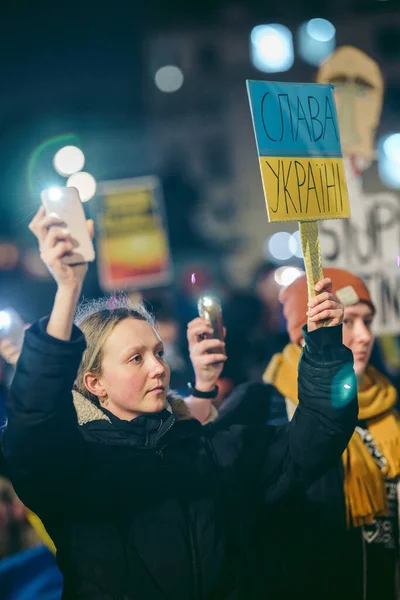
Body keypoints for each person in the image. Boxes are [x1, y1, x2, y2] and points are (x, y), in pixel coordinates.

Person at [2, 207, 357, 600]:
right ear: (94, 383)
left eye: (158, 352)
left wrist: (324, 345)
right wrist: (67, 290)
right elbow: (33, 423)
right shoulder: (75, 466)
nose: (159, 367)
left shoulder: (206, 447)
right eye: (136, 358)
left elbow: (316, 439)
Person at [215, 267, 399, 600]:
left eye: (368, 321)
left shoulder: (388, 401)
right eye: (347, 321)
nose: (364, 336)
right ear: (307, 330)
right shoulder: (261, 404)